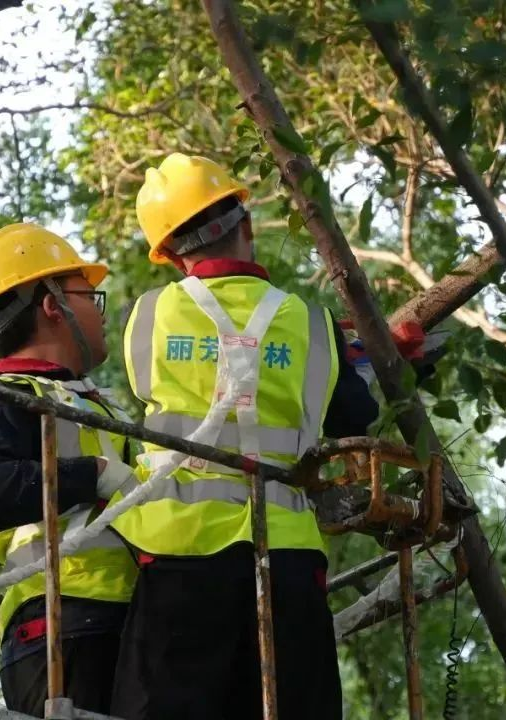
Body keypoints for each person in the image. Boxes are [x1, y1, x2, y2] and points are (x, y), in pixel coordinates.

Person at [108, 153, 379, 720]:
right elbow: (355, 413)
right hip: (285, 559)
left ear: (172, 253)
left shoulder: (150, 315)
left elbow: (146, 385)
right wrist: (373, 362)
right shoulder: (311, 324)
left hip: (179, 553)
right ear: (245, 226)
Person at [0, 223, 138, 718]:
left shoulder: (96, 405)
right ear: (54, 305)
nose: (100, 311)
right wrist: (92, 473)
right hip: (61, 628)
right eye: (90, 296)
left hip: (124, 621)